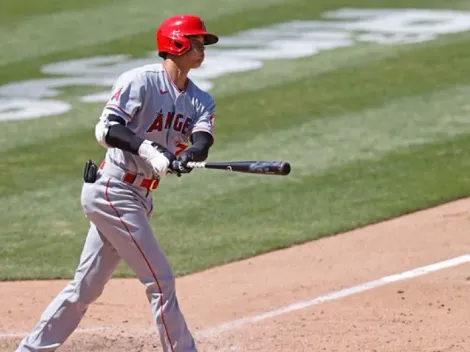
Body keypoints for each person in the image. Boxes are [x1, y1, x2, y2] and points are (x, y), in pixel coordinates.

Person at [17, 14, 218, 352]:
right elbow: (106, 129)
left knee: (86, 287)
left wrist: (189, 155)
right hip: (113, 189)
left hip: (139, 197)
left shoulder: (201, 99)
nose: (202, 48)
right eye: (196, 42)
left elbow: (201, 138)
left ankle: (30, 349)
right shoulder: (140, 82)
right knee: (160, 280)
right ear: (176, 43)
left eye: (202, 43)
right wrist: (150, 150)